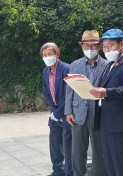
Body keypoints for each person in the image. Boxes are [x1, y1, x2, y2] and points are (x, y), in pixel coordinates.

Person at [89, 28, 123, 176]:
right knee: (109, 163)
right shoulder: (109, 65)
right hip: (105, 121)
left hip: (119, 123)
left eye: (110, 46)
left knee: (121, 163)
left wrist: (106, 92)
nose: (106, 50)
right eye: (104, 47)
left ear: (121, 44)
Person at [64, 30, 107, 176]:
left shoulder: (107, 65)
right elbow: (69, 90)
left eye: (93, 46)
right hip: (78, 114)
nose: (90, 49)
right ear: (82, 46)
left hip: (98, 114)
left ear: (99, 47)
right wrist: (68, 111)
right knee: (77, 151)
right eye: (86, 46)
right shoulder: (75, 65)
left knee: (99, 151)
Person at [41, 42, 73, 176]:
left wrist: (59, 112)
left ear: (57, 54)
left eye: (50, 54)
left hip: (67, 114)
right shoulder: (45, 71)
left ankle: (69, 172)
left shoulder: (67, 68)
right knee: (54, 145)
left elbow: (68, 93)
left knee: (67, 145)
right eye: (44, 55)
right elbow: (46, 92)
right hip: (54, 113)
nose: (47, 57)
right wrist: (54, 112)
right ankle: (57, 171)